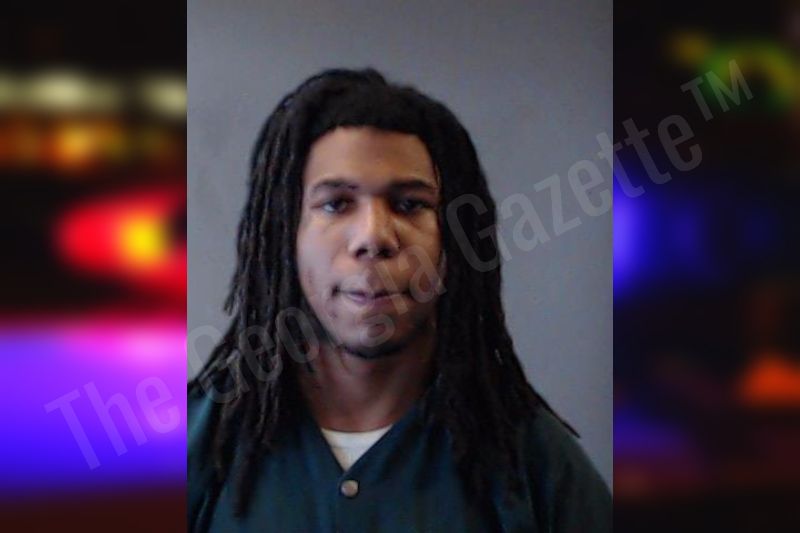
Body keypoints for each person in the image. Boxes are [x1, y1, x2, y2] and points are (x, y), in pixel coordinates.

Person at [188, 68, 611, 532]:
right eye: (336, 204)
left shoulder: (535, 468)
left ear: (455, 238)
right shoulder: (192, 447)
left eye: (410, 204)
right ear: (285, 232)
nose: (373, 237)